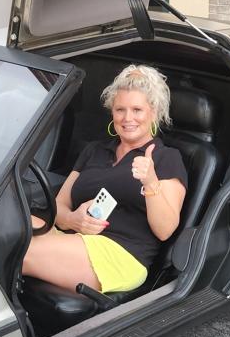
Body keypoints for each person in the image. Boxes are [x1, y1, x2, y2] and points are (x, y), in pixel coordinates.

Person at [23, 65, 188, 294]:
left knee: (19, 250)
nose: (127, 118)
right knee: (3, 225)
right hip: (74, 237)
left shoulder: (166, 158)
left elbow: (165, 230)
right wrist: (72, 220)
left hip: (120, 254)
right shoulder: (95, 150)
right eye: (120, 109)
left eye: (137, 110)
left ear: (154, 112)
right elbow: (59, 207)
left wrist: (150, 182)